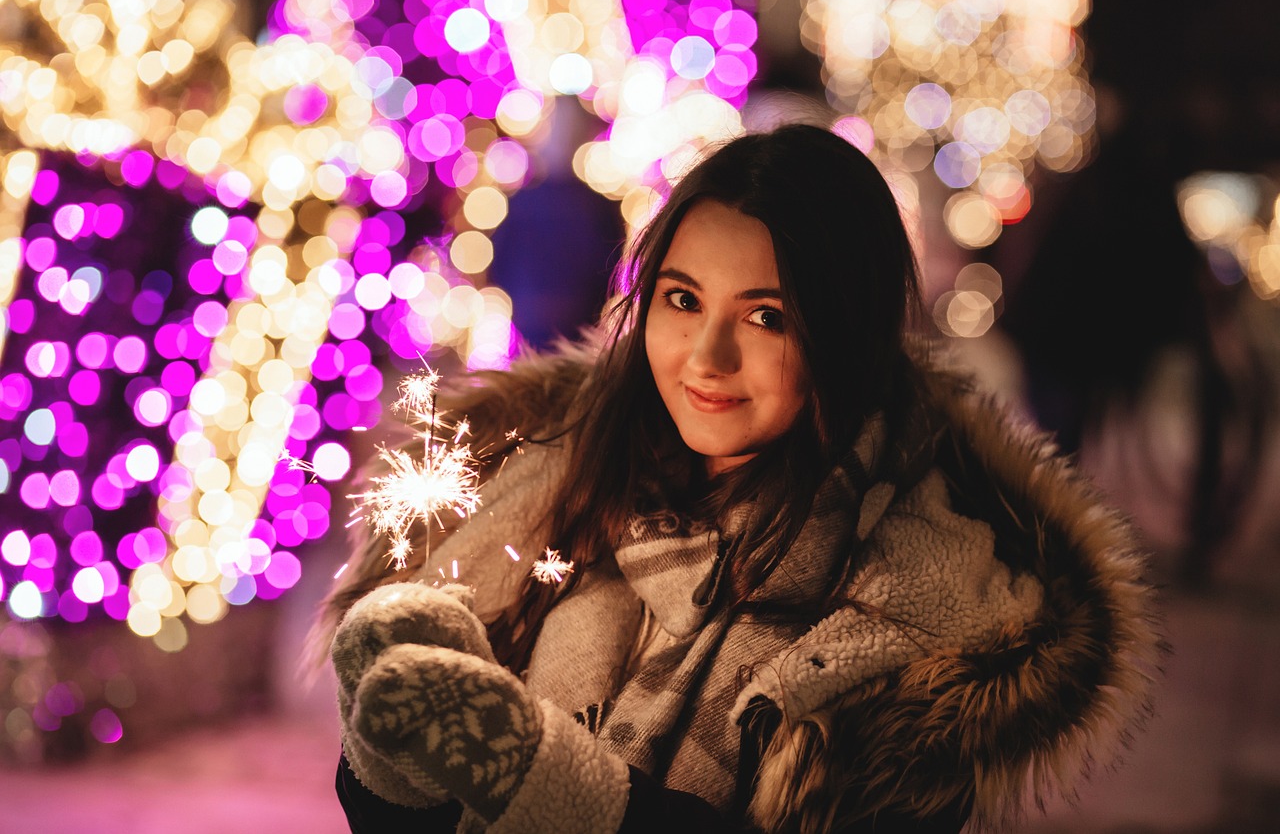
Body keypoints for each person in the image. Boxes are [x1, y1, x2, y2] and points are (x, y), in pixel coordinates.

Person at [312, 124, 1162, 833]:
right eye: (683, 300)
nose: (707, 359)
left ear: (849, 334)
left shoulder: (936, 606)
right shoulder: (539, 484)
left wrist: (550, 783)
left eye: (767, 316)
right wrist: (394, 773)